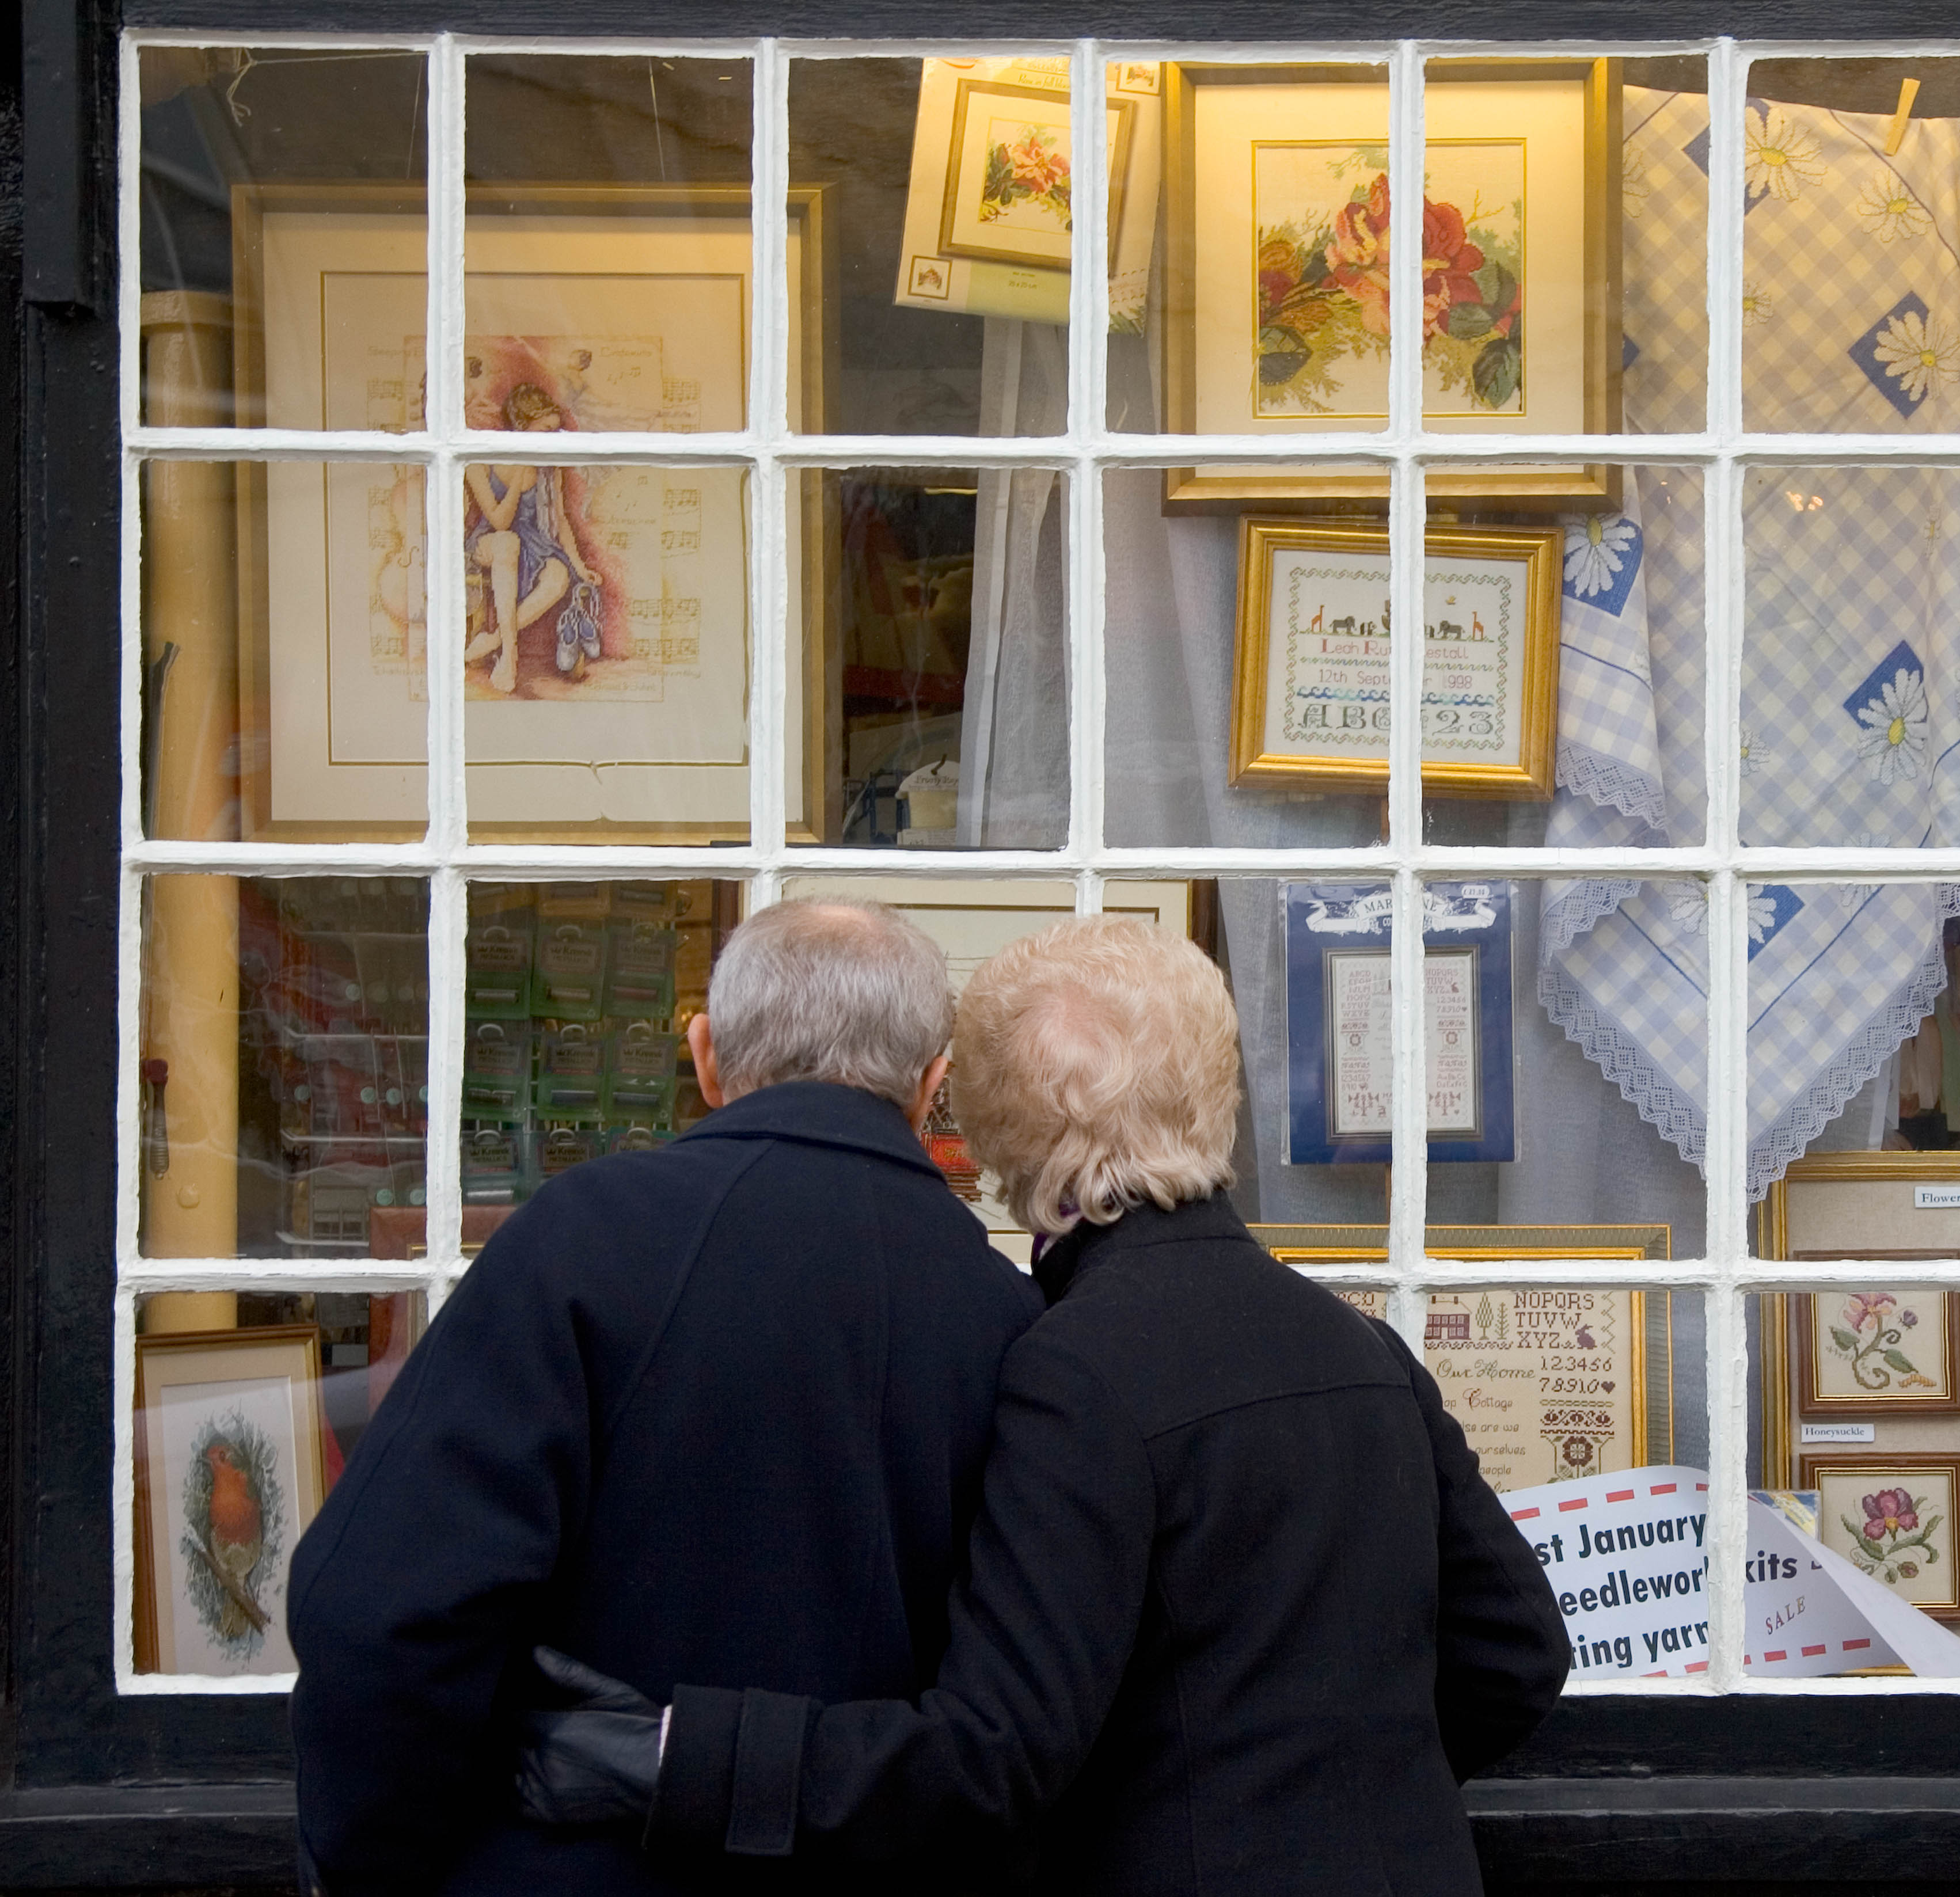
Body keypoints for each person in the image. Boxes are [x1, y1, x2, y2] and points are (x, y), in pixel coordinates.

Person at [518, 915, 1572, 1895]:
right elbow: (1517, 1656)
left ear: (986, 1134)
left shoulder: (1073, 1367)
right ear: (1213, 1091)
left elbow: (994, 1753)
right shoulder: (1361, 1348)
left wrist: (677, 1757)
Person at [289, 900, 1040, 1896]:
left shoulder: (580, 1240)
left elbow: (384, 1615)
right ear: (930, 1084)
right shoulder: (1009, 1317)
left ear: (705, 1056)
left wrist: (374, 1862)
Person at [464, 381, 603, 697]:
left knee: (559, 576)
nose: (554, 440)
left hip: (533, 543)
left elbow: (560, 520)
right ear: (523, 429)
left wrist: (580, 568)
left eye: (557, 432)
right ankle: (510, 657)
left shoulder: (549, 466)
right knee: (507, 543)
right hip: (491, 540)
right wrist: (518, 475)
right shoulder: (482, 461)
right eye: (547, 431)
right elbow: (500, 522)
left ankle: (493, 641)